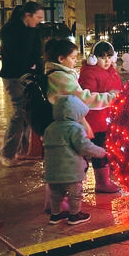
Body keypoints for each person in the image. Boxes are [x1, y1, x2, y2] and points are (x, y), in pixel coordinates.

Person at [43, 95, 106, 225]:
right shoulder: (74, 128)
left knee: (55, 195)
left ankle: (56, 215)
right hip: (70, 171)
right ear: (76, 113)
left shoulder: (50, 128)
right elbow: (84, 146)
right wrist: (101, 152)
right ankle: (75, 214)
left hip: (52, 171)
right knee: (75, 194)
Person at [0, 1, 45, 167]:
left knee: (26, 113)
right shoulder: (11, 31)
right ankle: (7, 153)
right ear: (27, 15)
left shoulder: (32, 30)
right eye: (38, 17)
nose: (39, 21)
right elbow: (19, 56)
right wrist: (30, 64)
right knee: (20, 113)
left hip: (29, 75)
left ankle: (21, 151)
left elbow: (37, 54)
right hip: (14, 77)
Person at [78, 41, 122, 193]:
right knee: (94, 151)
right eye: (102, 57)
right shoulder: (89, 73)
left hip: (107, 119)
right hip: (94, 121)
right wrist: (112, 97)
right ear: (94, 58)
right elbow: (88, 97)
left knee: (103, 151)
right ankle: (80, 183)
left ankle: (103, 180)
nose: (107, 60)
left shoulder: (112, 72)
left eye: (109, 57)